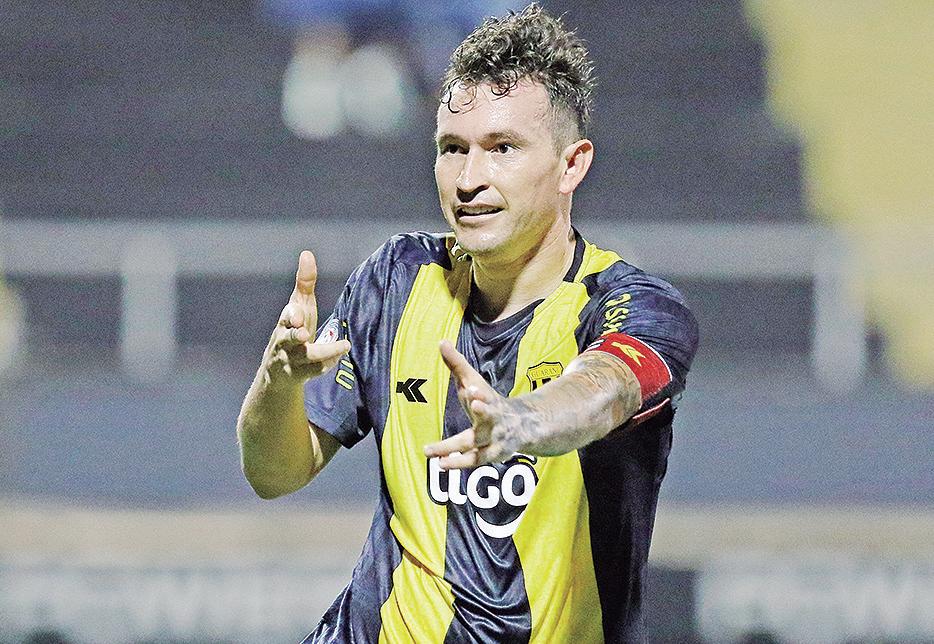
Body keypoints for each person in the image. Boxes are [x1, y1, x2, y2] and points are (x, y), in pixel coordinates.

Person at [237, 4, 698, 642]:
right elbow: (273, 474)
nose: (469, 180)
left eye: (502, 149)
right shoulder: (396, 280)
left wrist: (522, 421)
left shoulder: (632, 305)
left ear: (571, 165)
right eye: (453, 149)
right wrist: (277, 385)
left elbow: (607, 388)